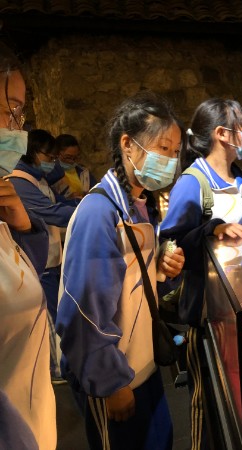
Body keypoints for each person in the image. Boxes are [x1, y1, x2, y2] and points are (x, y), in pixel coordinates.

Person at [56, 90, 185, 450]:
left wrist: (161, 268)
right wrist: (110, 383)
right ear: (128, 144)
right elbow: (82, 312)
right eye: (162, 147)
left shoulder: (137, 204)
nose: (170, 160)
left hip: (141, 367)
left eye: (175, 151)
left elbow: (128, 281)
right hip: (115, 377)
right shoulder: (99, 212)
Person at [160, 98, 242, 449]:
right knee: (211, 410)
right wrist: (211, 229)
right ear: (222, 133)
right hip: (212, 316)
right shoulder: (193, 184)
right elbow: (170, 246)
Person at [0, 42, 56, 450]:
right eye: (9, 110)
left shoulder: (6, 203)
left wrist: (22, 227)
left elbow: (22, 279)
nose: (16, 128)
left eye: (18, 113)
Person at [8, 128, 78, 381]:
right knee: (50, 318)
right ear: (33, 153)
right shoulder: (18, 181)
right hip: (39, 263)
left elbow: (59, 203)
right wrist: (89, 209)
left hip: (51, 258)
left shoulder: (37, 179)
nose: (52, 162)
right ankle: (57, 369)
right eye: (49, 157)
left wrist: (81, 202)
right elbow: (51, 213)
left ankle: (64, 364)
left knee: (58, 313)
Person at [52, 133, 97, 199]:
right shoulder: (51, 173)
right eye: (68, 157)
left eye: (75, 158)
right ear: (57, 154)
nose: (72, 161)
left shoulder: (84, 172)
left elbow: (96, 191)